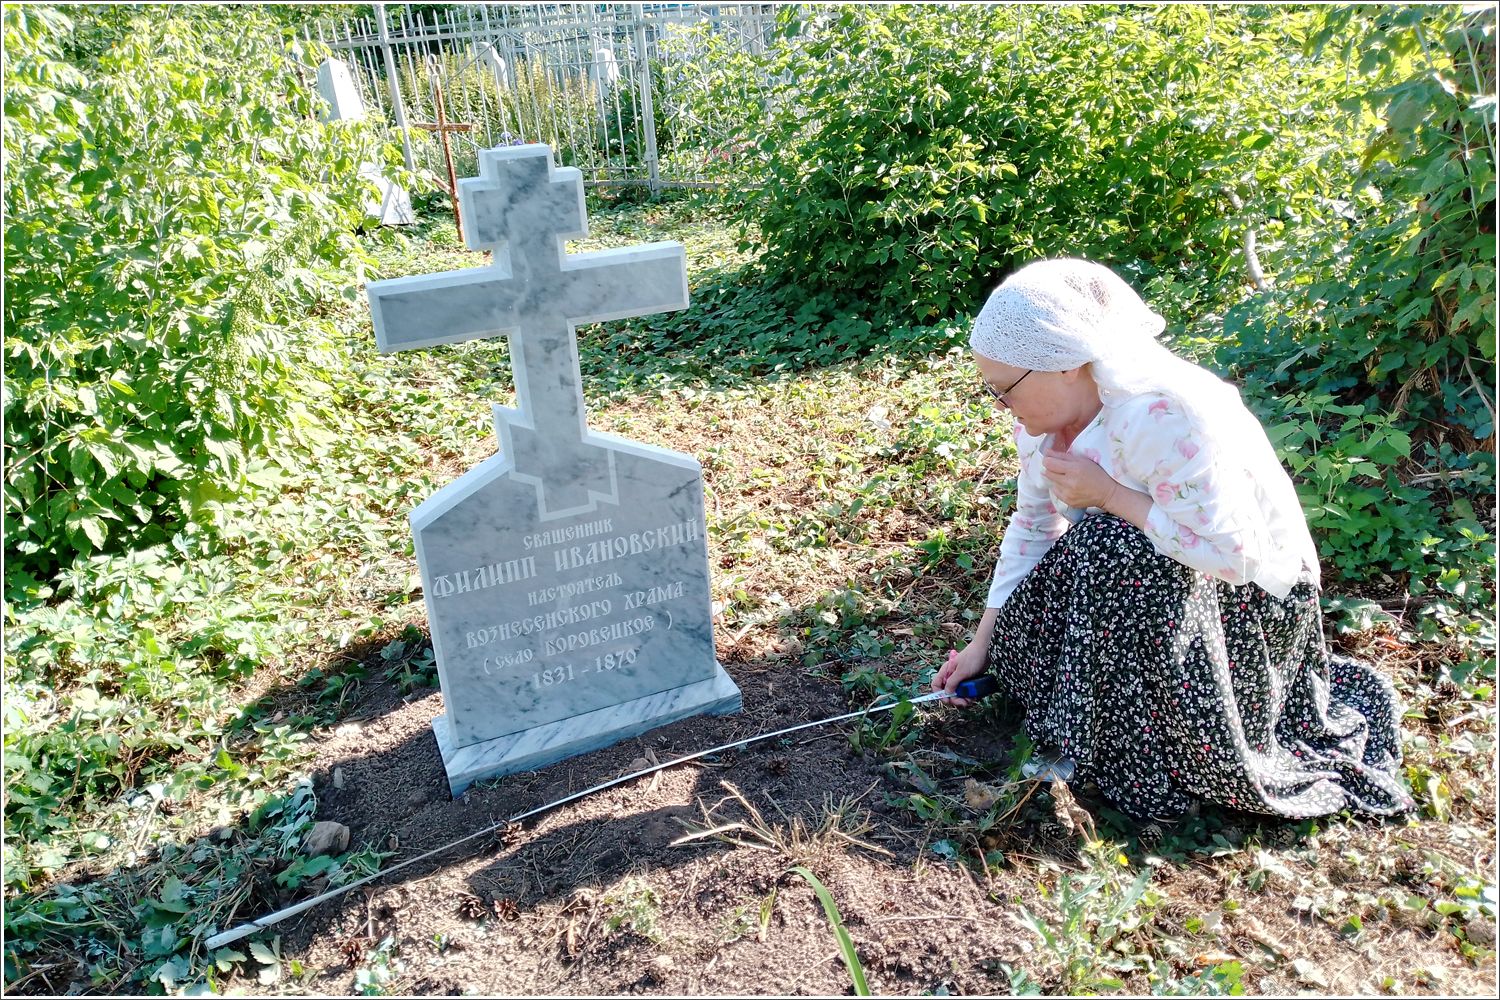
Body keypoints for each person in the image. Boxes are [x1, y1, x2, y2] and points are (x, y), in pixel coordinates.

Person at [931, 258, 1413, 820]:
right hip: (1156, 592)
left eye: (1005, 389)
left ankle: (1120, 744)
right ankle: (1094, 718)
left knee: (1110, 544)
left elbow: (1232, 555)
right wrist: (983, 643)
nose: (1003, 406)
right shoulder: (1039, 428)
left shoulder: (1159, 414)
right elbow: (1034, 526)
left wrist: (1111, 495)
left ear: (1065, 365)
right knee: (1094, 551)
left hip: (1251, 605)